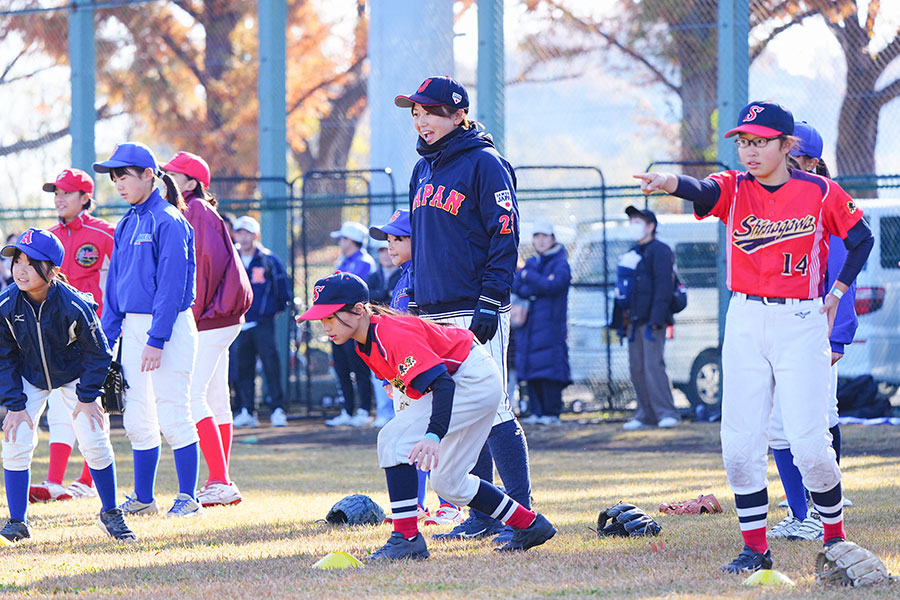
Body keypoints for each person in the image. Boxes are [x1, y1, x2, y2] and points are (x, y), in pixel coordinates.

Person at [634, 100, 874, 574]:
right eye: (744, 141)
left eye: (760, 141)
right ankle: (754, 548)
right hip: (744, 318)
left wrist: (837, 290)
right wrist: (670, 183)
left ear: (787, 146)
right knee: (740, 443)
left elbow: (861, 236)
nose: (749, 150)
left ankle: (835, 537)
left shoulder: (820, 191)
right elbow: (703, 190)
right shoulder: (734, 188)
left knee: (809, 443)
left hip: (800, 321)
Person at [297, 272, 557, 560]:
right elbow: (408, 383)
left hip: (472, 379)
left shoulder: (389, 333)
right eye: (321, 319)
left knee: (392, 439)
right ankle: (530, 525)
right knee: (450, 484)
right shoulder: (365, 342)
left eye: (330, 317)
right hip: (468, 378)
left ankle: (406, 538)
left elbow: (443, 383)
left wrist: (433, 434)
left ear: (359, 310)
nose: (325, 326)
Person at [395, 75, 533, 545]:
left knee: (494, 410)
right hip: (432, 309)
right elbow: (424, 244)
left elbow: (505, 235)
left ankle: (523, 516)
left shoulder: (485, 163)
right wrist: (414, 299)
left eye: (430, 112)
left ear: (458, 115)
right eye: (415, 112)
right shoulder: (423, 169)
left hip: (473, 307)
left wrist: (492, 300)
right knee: (460, 412)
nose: (421, 120)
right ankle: (484, 512)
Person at [0, 228, 135, 543]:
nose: (20, 268)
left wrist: (88, 398)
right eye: (16, 259)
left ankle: (110, 512)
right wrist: (15, 405)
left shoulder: (73, 303)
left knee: (93, 436)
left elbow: (99, 352)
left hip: (74, 373)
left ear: (53, 269)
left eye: (31, 262)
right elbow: (3, 357)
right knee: (16, 437)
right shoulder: (6, 303)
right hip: (30, 374)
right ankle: (17, 520)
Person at [93, 141, 203, 518]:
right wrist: (108, 340)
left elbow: (172, 287)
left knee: (173, 411)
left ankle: (189, 498)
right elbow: (114, 290)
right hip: (133, 329)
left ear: (149, 176)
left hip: (168, 328)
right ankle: (144, 498)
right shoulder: (126, 222)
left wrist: (157, 339)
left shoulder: (169, 220)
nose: (118, 184)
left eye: (123, 175)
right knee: (138, 417)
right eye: (114, 177)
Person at [767, 121, 858, 541]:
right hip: (780, 326)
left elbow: (842, 272)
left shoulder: (827, 199)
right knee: (780, 424)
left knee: (819, 420)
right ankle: (802, 511)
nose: (784, 161)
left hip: (817, 329)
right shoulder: (780, 198)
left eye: (792, 155)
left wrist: (838, 335)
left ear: (811, 160)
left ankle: (823, 512)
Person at [162, 151, 253, 507]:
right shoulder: (197, 210)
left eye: (172, 174)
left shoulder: (196, 210)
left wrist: (189, 316)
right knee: (215, 398)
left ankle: (220, 480)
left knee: (192, 395)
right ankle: (220, 480)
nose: (166, 179)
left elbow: (202, 267)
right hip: (220, 316)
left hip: (209, 317)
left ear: (191, 182)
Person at [370, 209, 464, 527]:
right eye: (388, 240)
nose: (390, 246)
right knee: (409, 438)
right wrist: (392, 378)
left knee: (439, 435)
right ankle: (416, 504)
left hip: (430, 372)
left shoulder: (426, 275)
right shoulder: (403, 278)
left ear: (419, 240)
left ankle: (450, 503)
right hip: (408, 375)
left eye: (399, 239)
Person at [29, 168, 115, 503]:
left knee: (91, 405)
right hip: (55, 339)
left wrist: (109, 333)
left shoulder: (106, 234)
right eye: (56, 192)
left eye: (66, 192)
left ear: (85, 197)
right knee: (58, 408)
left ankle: (86, 481)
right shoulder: (47, 237)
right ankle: (54, 482)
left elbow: (115, 288)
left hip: (94, 335)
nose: (59, 198)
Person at [614, 206, 681, 431]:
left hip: (653, 320)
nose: (634, 225)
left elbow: (664, 286)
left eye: (638, 221)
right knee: (637, 368)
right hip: (633, 320)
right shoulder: (633, 252)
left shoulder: (660, 250)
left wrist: (656, 318)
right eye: (631, 220)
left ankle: (666, 412)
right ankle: (646, 413)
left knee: (653, 366)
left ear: (651, 226)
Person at [231, 216, 292, 428]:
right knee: (242, 369)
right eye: (240, 232)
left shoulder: (268, 260)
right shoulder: (232, 258)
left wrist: (271, 310)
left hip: (263, 323)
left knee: (270, 366)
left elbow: (283, 289)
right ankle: (247, 410)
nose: (243, 237)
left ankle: (277, 409)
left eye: (247, 233)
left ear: (256, 235)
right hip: (239, 324)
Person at [513, 220, 572, 426]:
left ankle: (551, 412)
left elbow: (554, 285)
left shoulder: (560, 263)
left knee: (550, 370)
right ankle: (536, 411)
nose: (540, 240)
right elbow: (519, 285)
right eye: (537, 236)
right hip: (530, 328)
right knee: (531, 370)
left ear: (553, 239)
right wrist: (536, 281)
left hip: (551, 327)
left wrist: (532, 278)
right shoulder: (533, 262)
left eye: (544, 236)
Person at [325, 222, 377, 427]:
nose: (340, 242)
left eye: (343, 239)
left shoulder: (365, 262)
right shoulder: (344, 261)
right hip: (339, 322)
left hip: (355, 325)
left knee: (360, 366)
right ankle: (347, 409)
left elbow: (355, 294)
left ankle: (364, 410)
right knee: (342, 367)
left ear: (351, 240)